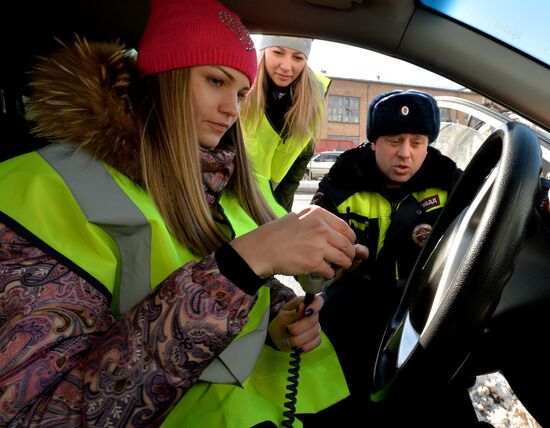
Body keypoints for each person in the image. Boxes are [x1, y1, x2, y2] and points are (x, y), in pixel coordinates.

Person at [0, 0, 368, 426]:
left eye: (241, 93)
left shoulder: (222, 183)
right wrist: (237, 268)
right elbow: (44, 414)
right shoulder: (42, 190)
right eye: (216, 81)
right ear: (163, 78)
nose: (233, 109)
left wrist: (275, 321)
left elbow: (240, 291)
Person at [307, 89, 550, 426]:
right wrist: (331, 265)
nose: (405, 154)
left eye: (417, 142)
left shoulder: (452, 184)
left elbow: (498, 204)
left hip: (424, 320)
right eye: (394, 141)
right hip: (351, 320)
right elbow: (311, 265)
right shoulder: (340, 186)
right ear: (374, 142)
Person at [240, 35, 331, 211]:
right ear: (264, 51)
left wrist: (277, 210)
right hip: (233, 196)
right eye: (278, 52)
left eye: (298, 57)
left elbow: (301, 158)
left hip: (278, 199)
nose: (286, 66)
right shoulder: (241, 85)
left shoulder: (314, 96)